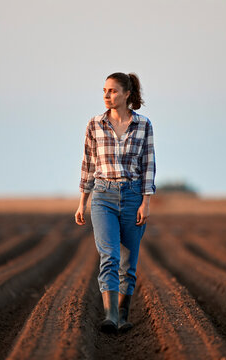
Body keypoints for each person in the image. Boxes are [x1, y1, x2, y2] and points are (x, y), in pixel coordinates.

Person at [75, 72, 156, 334]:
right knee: (109, 255)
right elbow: (88, 165)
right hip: (103, 196)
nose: (107, 96)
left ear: (127, 94)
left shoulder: (143, 125)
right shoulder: (94, 124)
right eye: (104, 91)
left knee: (128, 262)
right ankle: (109, 316)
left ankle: (122, 315)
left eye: (112, 91)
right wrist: (82, 202)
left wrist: (146, 202)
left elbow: (148, 166)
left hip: (133, 196)